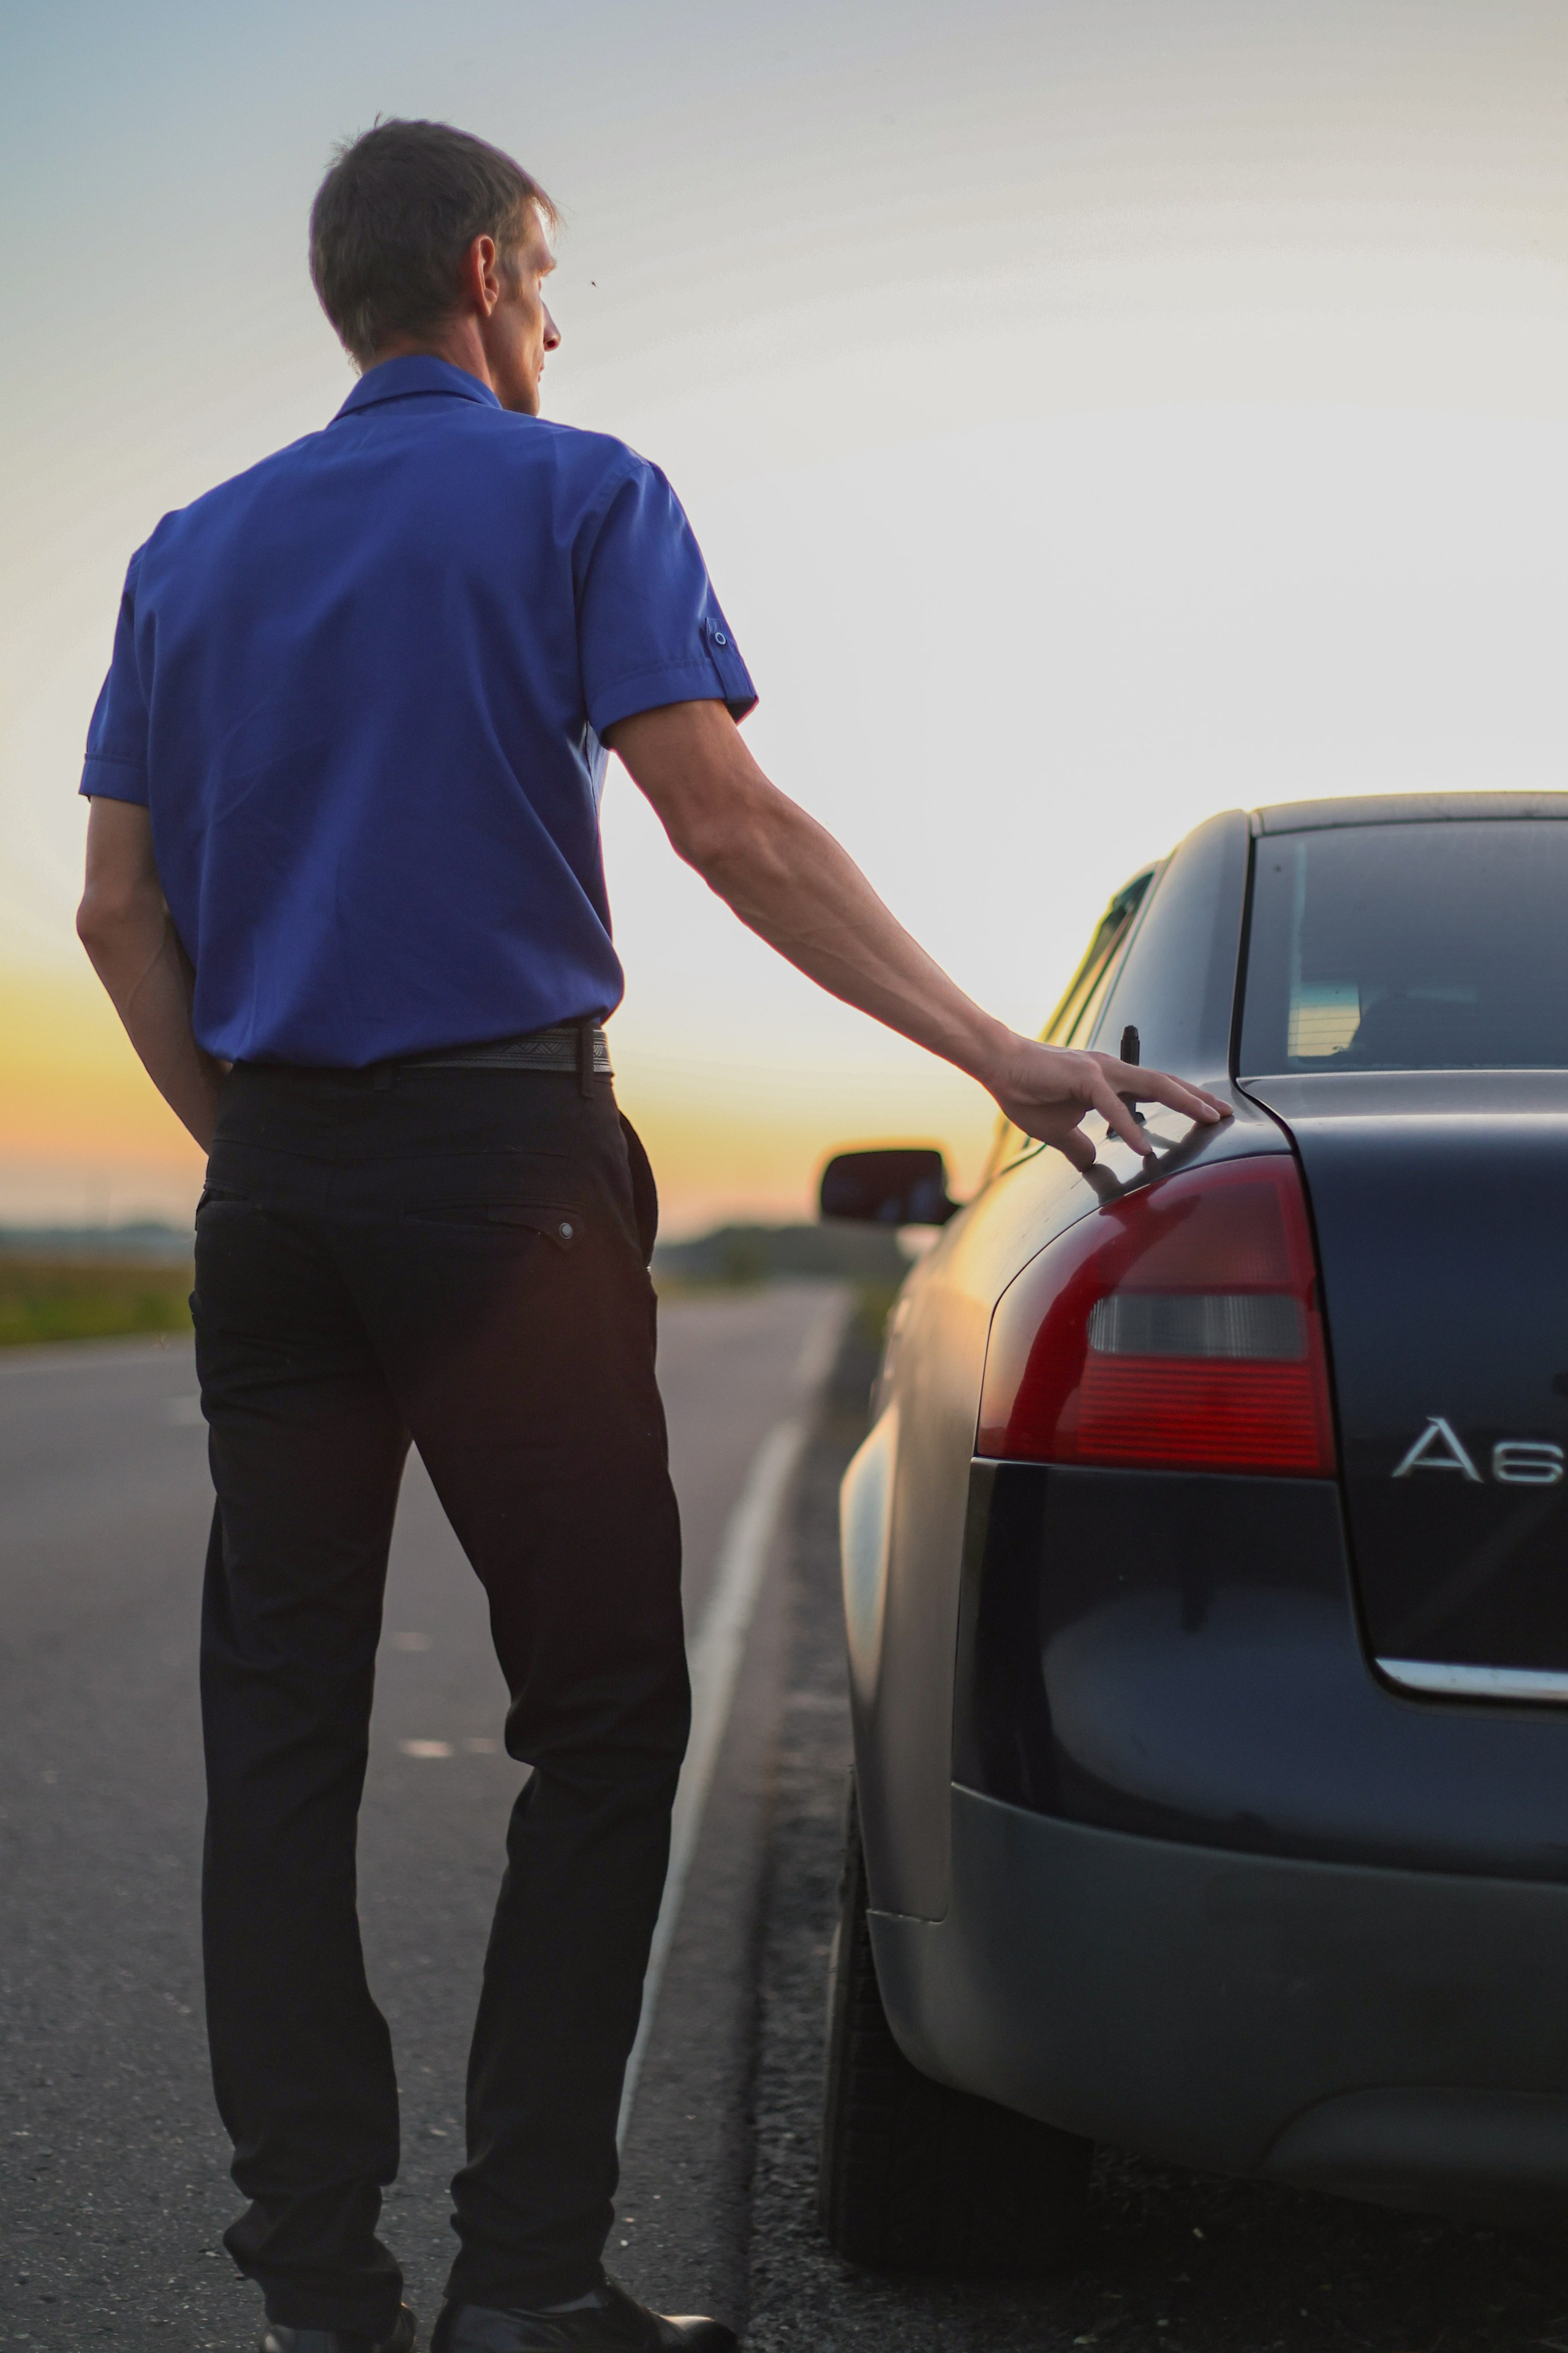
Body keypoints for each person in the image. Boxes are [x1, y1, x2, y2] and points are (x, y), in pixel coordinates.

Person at [74, 118, 1229, 2353]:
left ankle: (319, 2289)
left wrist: (264, 1148)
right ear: (487, 272)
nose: (557, 321)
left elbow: (119, 914)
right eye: (549, 278)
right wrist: (1002, 1052)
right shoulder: (583, 490)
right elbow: (727, 822)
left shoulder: (181, 551)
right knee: (604, 1717)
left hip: (276, 1189)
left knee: (281, 1734)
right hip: (502, 1175)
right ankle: (524, 2281)